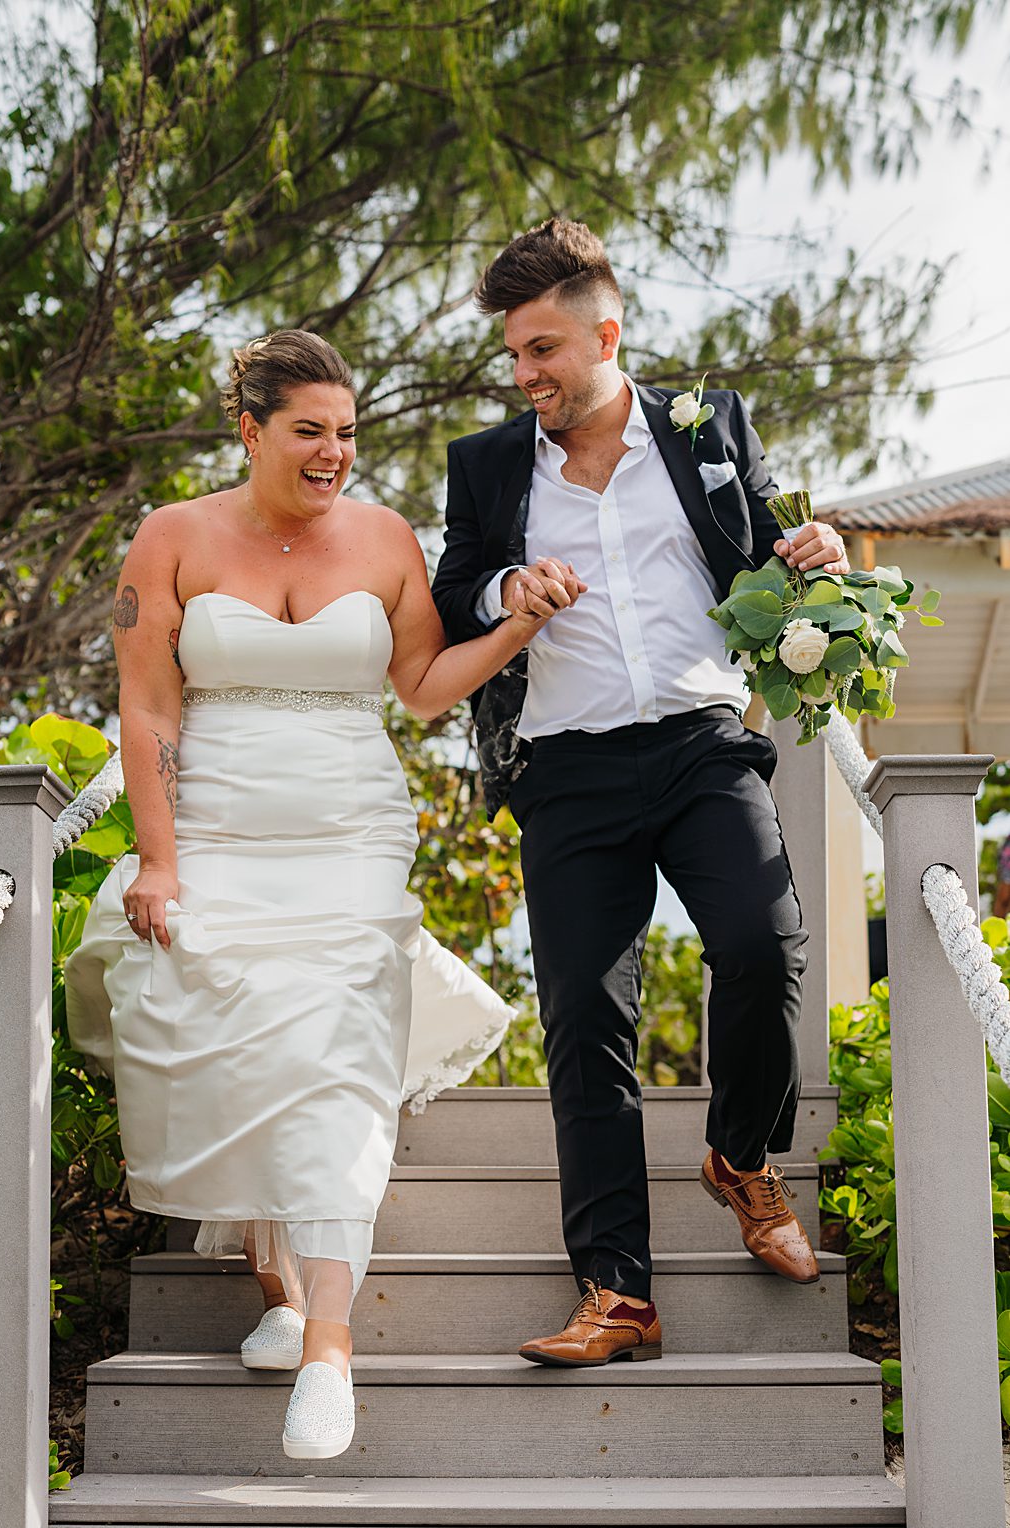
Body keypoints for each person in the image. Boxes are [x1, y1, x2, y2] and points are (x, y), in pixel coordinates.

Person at [65, 328, 584, 1456]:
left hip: (351, 830)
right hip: (216, 826)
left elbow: (424, 687)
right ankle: (280, 1296)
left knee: (341, 1054)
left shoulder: (387, 538)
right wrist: (158, 860)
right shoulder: (169, 539)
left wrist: (517, 627)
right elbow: (149, 707)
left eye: (346, 433)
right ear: (249, 429)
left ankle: (331, 1351)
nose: (333, 454)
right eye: (309, 431)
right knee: (248, 1045)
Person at [432, 219, 850, 1368]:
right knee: (585, 1021)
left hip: (702, 743)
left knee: (767, 950)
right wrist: (511, 585)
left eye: (544, 349)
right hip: (563, 766)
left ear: (606, 332)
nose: (526, 375)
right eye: (515, 356)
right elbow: (455, 589)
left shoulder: (705, 425)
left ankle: (740, 1159)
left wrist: (817, 552)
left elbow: (766, 549)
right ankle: (617, 1293)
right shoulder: (485, 466)